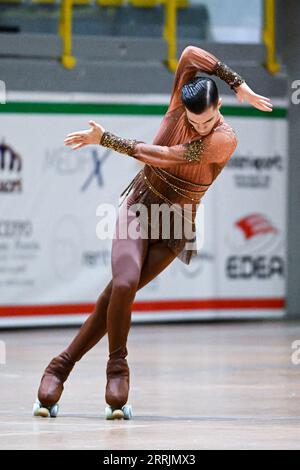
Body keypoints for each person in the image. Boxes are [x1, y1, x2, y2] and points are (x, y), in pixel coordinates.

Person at [33, 45, 273, 420]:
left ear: (219, 109)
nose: (199, 128)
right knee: (123, 284)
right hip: (140, 206)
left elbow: (166, 156)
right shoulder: (182, 103)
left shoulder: (224, 139)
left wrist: (107, 140)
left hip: (175, 225)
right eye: (194, 123)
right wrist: (236, 82)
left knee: (113, 295)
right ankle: (116, 367)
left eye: (206, 121)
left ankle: (60, 367)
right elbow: (191, 54)